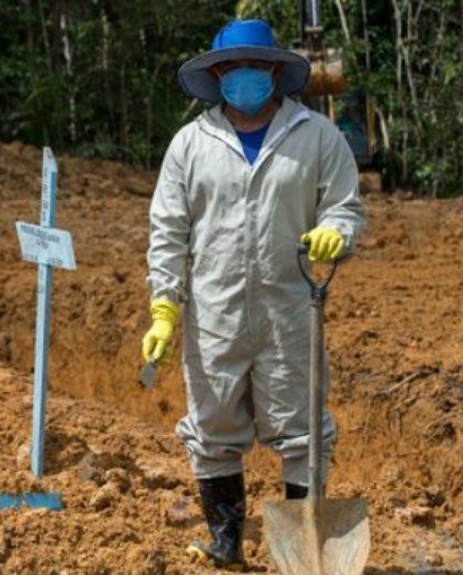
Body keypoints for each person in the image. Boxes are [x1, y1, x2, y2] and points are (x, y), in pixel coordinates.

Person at [141, 18, 366, 567]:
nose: (244, 77)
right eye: (232, 68)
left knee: (303, 431)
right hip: (212, 312)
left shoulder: (317, 136)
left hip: (290, 307)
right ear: (217, 75)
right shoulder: (190, 145)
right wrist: (165, 308)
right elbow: (168, 230)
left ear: (274, 72)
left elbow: (345, 204)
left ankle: (304, 551)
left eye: (255, 67)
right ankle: (225, 542)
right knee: (214, 426)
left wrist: (335, 232)